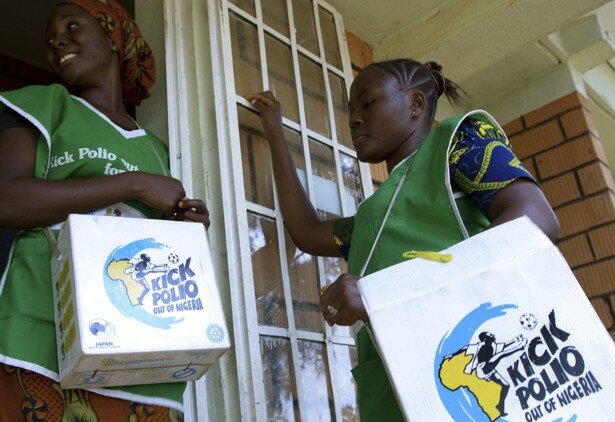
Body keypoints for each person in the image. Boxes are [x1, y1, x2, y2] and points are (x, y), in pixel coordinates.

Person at [245, 58, 559, 420]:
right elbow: (308, 233)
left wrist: (384, 296)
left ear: (415, 104)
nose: (354, 118)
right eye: (350, 109)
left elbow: (536, 221)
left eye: (368, 102)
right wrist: (274, 133)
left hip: (472, 382)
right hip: (398, 393)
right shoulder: (374, 214)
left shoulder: (455, 147)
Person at [0, 0, 208, 419]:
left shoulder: (154, 147)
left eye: (72, 26)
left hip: (143, 351)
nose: (57, 40)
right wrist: (133, 183)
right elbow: (7, 200)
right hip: (43, 334)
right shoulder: (44, 107)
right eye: (49, 37)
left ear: (113, 38)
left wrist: (186, 225)